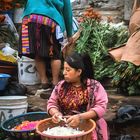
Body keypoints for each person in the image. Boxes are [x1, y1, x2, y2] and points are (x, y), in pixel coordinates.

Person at [47, 52, 109, 140]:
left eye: (68, 70)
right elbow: (52, 103)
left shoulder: (94, 86)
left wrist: (80, 117)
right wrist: (56, 113)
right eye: (64, 69)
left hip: (89, 130)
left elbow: (101, 107)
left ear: (79, 71)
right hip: (65, 130)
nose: (64, 73)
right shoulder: (61, 86)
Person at [18, 0, 73, 89]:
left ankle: (44, 81)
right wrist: (70, 34)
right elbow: (67, 12)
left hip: (29, 18)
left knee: (37, 52)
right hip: (50, 19)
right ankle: (55, 82)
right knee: (55, 54)